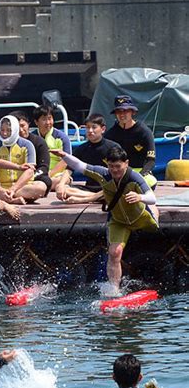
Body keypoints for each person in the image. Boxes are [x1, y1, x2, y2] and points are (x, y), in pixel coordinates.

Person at [53, 146, 159, 291]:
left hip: (140, 217)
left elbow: (151, 197)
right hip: (118, 221)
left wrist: (139, 197)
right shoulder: (102, 174)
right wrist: (64, 155)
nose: (114, 170)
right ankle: (114, 289)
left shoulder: (134, 177)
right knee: (114, 253)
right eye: (111, 166)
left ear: (126, 163)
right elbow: (80, 165)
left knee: (154, 221)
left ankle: (154, 213)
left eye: (118, 166)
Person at [55, 114, 120, 204]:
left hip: (109, 187)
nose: (90, 131)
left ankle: (88, 199)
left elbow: (120, 172)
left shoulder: (113, 147)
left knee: (118, 190)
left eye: (94, 127)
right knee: (65, 190)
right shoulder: (82, 148)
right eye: (87, 127)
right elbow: (69, 168)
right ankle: (96, 197)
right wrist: (61, 184)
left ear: (103, 129)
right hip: (89, 188)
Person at [105, 95, 157, 189]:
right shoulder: (110, 134)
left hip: (139, 172)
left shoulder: (144, 132)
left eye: (125, 111)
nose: (122, 114)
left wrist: (140, 176)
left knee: (151, 181)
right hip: (117, 173)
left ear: (133, 112)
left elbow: (151, 160)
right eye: (118, 111)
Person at [0, 115, 37, 204]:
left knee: (40, 189)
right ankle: (11, 199)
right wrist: (0, 190)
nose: (5, 134)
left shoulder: (27, 145)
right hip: (2, 187)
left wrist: (13, 189)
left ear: (15, 130)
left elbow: (30, 171)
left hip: (23, 187)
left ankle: (4, 198)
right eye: (2, 130)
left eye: (9, 130)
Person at [9, 110, 52, 199]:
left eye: (23, 125)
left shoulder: (39, 142)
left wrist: (26, 178)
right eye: (17, 127)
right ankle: (13, 194)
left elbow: (43, 167)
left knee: (43, 184)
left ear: (28, 124)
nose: (21, 130)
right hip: (9, 179)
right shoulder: (5, 144)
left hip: (32, 179)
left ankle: (8, 194)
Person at [33, 104, 72, 190]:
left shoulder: (62, 137)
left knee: (58, 181)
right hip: (37, 174)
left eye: (50, 118)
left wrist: (49, 175)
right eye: (44, 119)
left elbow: (66, 161)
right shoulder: (32, 138)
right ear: (36, 122)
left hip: (57, 175)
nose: (48, 122)